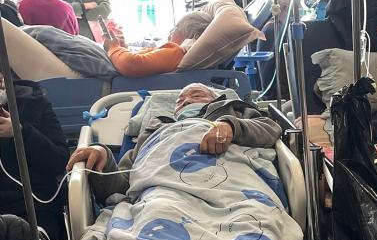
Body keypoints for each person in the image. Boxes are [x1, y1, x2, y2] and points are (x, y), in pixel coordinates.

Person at [66, 83, 281, 205]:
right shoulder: (155, 132)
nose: (186, 101)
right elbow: (122, 186)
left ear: (215, 99)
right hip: (164, 198)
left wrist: (230, 126)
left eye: (196, 95)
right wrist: (102, 156)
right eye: (179, 101)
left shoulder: (234, 111)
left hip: (234, 191)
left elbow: (270, 129)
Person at [0, 75, 69, 240]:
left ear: (2, 78)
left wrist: (20, 132)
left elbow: (59, 160)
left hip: (32, 205)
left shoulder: (35, 104)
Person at [103, 11, 212, 77]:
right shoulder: (174, 53)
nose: (170, 32)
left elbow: (132, 63)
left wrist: (113, 47)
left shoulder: (176, 52)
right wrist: (123, 48)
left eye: (176, 28)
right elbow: (142, 58)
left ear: (191, 35)